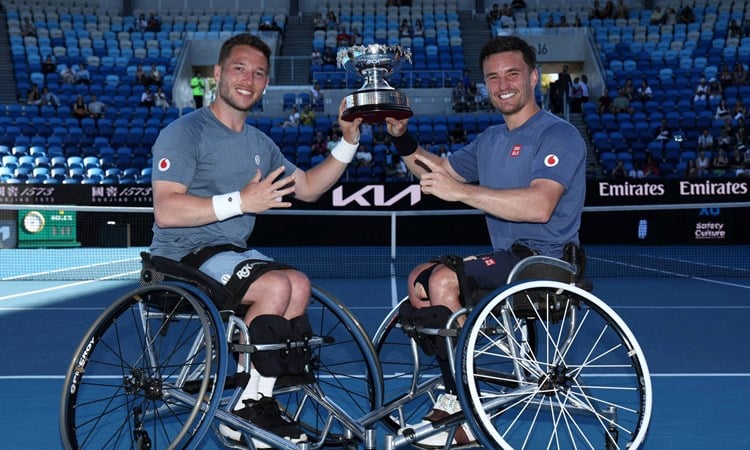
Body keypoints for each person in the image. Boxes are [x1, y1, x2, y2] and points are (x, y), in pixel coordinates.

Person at [149, 33, 363, 449]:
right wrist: (241, 201)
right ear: (217, 74)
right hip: (180, 258)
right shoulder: (185, 132)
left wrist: (348, 142)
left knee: (298, 283)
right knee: (275, 284)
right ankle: (247, 409)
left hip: (229, 255)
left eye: (259, 73)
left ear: (266, 84)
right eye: (239, 68)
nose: (248, 79)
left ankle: (252, 403)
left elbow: (308, 188)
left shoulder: (259, 144)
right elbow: (167, 211)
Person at [382, 35, 586, 447]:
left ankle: (462, 409)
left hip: (546, 264)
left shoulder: (559, 135)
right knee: (421, 278)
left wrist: (465, 193)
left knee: (442, 281)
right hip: (507, 259)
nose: (502, 84)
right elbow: (437, 171)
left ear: (533, 77)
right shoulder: (490, 139)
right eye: (493, 77)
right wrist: (402, 137)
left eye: (512, 74)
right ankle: (454, 392)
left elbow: (540, 205)